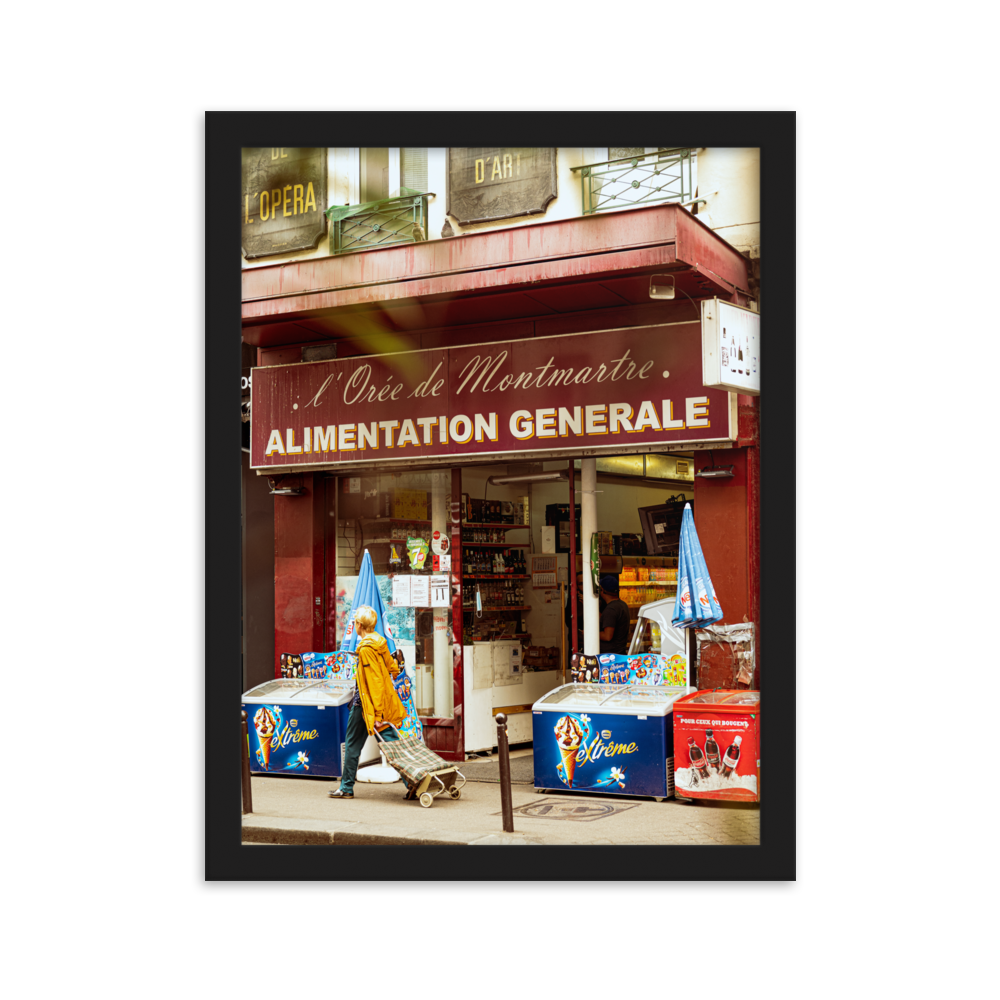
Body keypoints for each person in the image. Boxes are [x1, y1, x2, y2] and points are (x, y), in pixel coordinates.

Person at [329, 606, 407, 799]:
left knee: (353, 745)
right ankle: (413, 781)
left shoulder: (365, 649)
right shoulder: (380, 642)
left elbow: (375, 684)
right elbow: (393, 668)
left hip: (366, 705)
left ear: (359, 625)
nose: (354, 624)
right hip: (375, 704)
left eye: (355, 622)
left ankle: (346, 787)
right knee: (393, 745)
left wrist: (378, 715)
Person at [598, 575, 630, 655]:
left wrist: (590, 633)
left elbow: (607, 636)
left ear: (603, 590)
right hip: (619, 653)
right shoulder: (622, 605)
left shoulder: (611, 609)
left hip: (610, 656)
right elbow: (609, 620)